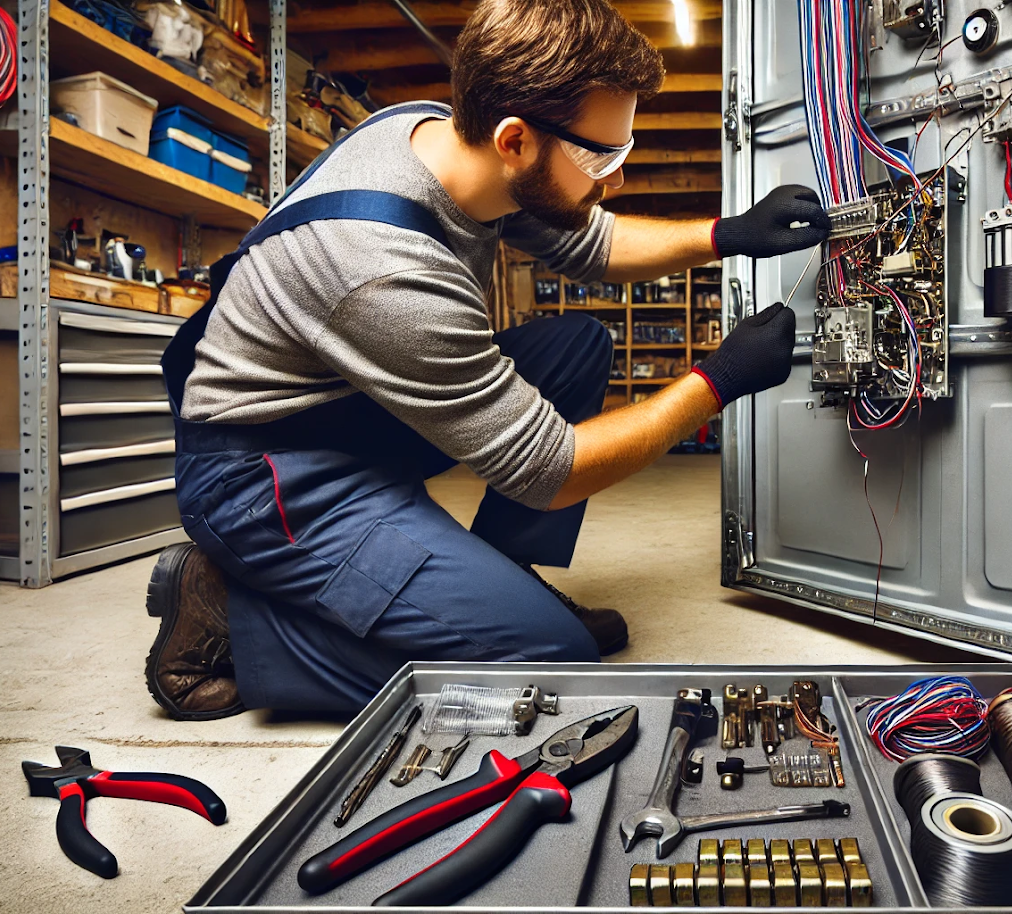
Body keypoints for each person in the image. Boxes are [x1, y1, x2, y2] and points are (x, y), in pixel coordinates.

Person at [143, 0, 827, 719]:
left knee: (576, 345)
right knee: (551, 666)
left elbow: (593, 244)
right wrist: (717, 382)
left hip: (350, 410)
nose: (615, 180)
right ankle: (230, 620)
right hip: (268, 476)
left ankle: (506, 581)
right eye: (603, 157)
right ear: (515, 140)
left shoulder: (442, 135)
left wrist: (730, 234)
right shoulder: (384, 271)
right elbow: (550, 471)